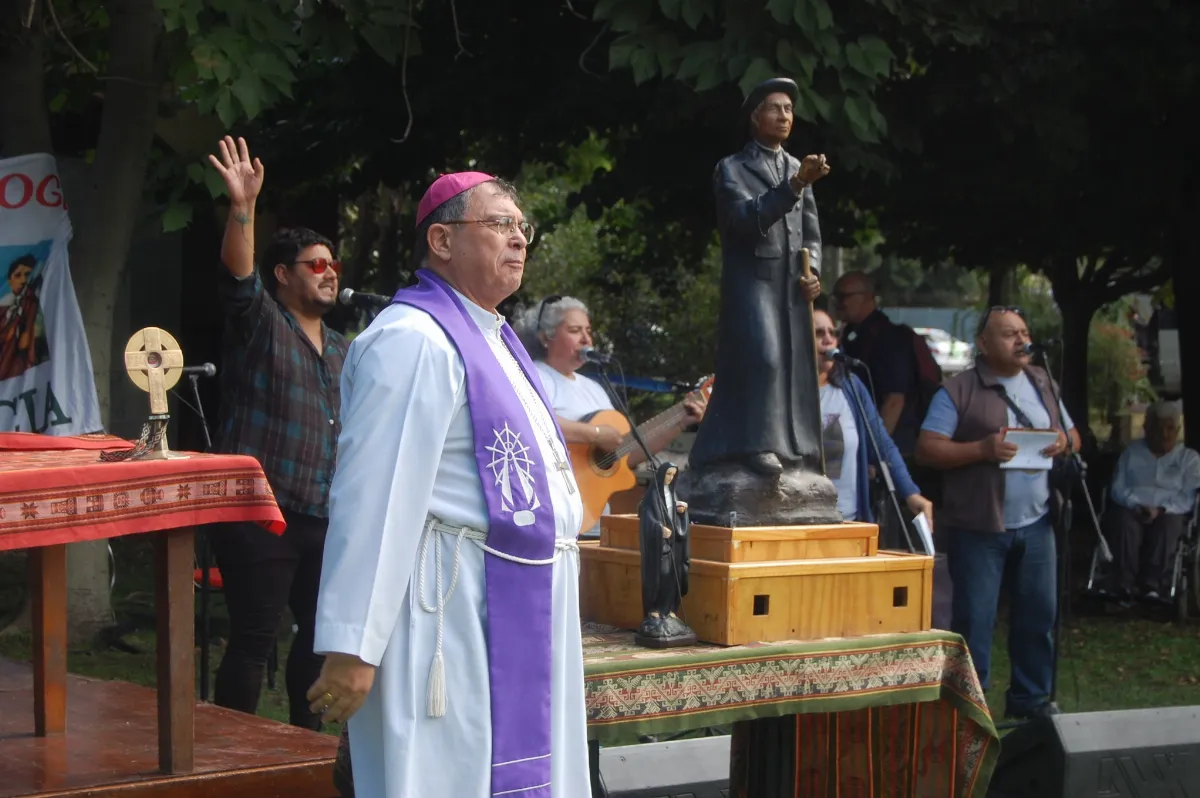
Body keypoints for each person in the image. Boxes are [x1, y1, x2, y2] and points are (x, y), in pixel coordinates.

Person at [309, 172, 590, 797]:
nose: (518, 240)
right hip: (449, 611)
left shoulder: (496, 339)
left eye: (523, 229)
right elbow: (374, 498)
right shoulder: (413, 339)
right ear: (441, 238)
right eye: (499, 225)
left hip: (517, 600)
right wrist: (354, 646)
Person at [206, 136, 350, 730]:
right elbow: (239, 278)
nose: (329, 272)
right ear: (284, 276)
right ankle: (230, 762)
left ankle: (304, 755)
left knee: (318, 643)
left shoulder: (347, 350)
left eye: (333, 264)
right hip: (258, 510)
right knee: (253, 637)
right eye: (316, 264)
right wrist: (243, 206)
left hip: (325, 514)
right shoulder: (264, 321)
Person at [679, 76, 833, 528]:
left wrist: (815, 273)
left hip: (790, 286)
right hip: (753, 284)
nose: (784, 116)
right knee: (763, 360)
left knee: (793, 363)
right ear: (754, 117)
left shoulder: (798, 168)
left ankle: (794, 448)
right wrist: (794, 185)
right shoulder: (732, 169)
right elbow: (745, 221)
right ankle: (753, 445)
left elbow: (812, 233)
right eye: (775, 108)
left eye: (789, 109)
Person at [916, 306, 1080, 720]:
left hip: (1038, 522)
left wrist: (1064, 441)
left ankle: (1031, 705)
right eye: (1010, 334)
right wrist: (981, 450)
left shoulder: (1043, 383)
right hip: (978, 528)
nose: (1022, 340)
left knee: (1039, 617)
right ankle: (969, 710)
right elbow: (927, 447)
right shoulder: (959, 391)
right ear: (984, 345)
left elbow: (1075, 435)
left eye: (1024, 332)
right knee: (975, 623)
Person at [516, 295, 705, 464]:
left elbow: (625, 456)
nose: (586, 339)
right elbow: (527, 421)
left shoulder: (595, 388)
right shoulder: (533, 376)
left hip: (597, 503)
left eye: (588, 331)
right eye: (574, 330)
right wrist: (595, 434)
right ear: (545, 338)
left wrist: (679, 422)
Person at [813, 308, 932, 527]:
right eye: (819, 333)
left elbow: (880, 443)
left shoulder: (850, 385)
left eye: (833, 332)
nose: (829, 340)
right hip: (800, 525)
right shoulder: (784, 394)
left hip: (846, 521)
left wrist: (910, 492)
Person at [1105, 400, 1200, 602]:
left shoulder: (1189, 458)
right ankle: (1124, 584)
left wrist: (1161, 510)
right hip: (1133, 507)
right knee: (1123, 522)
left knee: (1169, 526)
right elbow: (1117, 488)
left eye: (1170, 428)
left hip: (1170, 511)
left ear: (1178, 429)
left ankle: (1154, 586)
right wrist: (1135, 505)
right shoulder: (1131, 453)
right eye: (1159, 429)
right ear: (1147, 428)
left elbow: (1188, 496)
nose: (1165, 435)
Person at [830, 271, 921, 455]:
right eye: (836, 296)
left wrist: (875, 453)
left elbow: (894, 401)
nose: (838, 303)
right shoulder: (852, 334)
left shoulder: (888, 339)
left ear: (867, 297)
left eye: (844, 296)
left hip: (892, 446)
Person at [0, 254, 49, 381]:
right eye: (18, 275)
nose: (23, 280)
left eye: (27, 275)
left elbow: (25, 343)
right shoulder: (4, 308)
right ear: (9, 280)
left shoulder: (32, 304)